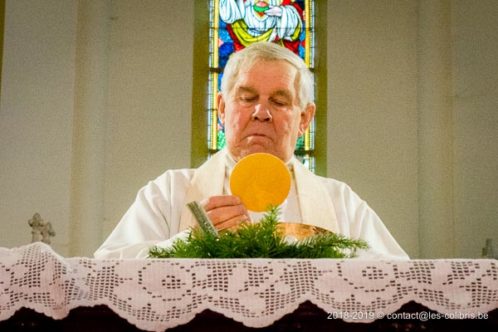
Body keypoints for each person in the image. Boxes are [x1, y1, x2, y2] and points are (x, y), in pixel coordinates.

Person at [94, 42, 409, 260]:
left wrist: (327, 255)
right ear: (221, 109)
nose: (261, 112)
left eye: (279, 101)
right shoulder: (169, 193)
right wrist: (190, 242)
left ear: (305, 118)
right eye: (247, 98)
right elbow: (106, 270)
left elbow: (400, 280)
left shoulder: (341, 203)